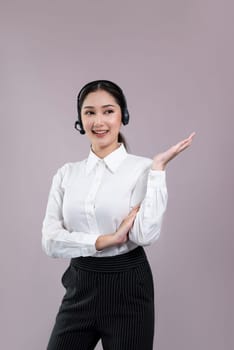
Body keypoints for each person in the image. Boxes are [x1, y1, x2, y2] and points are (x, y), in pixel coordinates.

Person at [42, 80, 195, 350]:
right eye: (89, 112)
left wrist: (158, 170)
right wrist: (106, 240)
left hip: (129, 288)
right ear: (80, 120)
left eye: (108, 111)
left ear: (122, 116)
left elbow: (144, 235)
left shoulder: (143, 169)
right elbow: (51, 241)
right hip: (80, 284)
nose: (99, 121)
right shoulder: (67, 174)